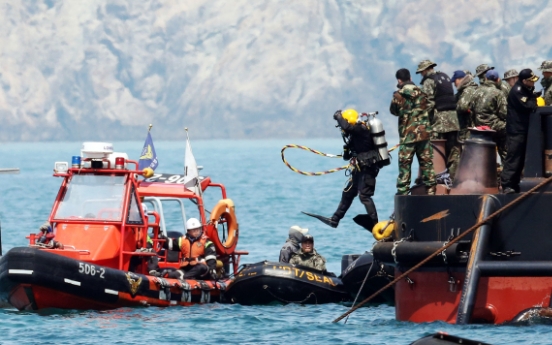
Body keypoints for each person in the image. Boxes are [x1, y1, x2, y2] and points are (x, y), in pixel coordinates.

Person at [324, 109, 381, 229]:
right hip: (359, 169)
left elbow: (348, 127)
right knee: (348, 193)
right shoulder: (353, 135)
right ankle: (335, 219)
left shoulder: (361, 129)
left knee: (364, 196)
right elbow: (347, 157)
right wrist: (346, 150)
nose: (342, 129)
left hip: (368, 169)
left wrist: (338, 116)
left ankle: (375, 223)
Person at [390, 68, 436, 195]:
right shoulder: (422, 92)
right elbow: (430, 108)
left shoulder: (398, 95)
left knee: (405, 166)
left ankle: (403, 193)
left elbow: (393, 111)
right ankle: (431, 191)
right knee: (426, 163)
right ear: (410, 78)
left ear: (399, 80)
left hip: (408, 136)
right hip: (424, 134)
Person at [416, 60, 461, 178]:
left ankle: (438, 180)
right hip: (454, 121)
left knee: (438, 151)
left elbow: (428, 103)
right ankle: (454, 179)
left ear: (425, 70)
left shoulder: (428, 81)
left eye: (421, 72)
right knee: (454, 152)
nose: (421, 74)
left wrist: (421, 119)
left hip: (440, 123)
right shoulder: (445, 77)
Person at [500, 69, 540, 194]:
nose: (533, 83)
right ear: (524, 81)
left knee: (521, 159)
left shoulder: (525, 90)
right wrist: (533, 98)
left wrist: (532, 96)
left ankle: (515, 184)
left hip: (523, 129)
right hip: (516, 131)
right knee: (513, 157)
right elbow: (529, 106)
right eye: (530, 81)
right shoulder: (517, 92)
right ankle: (507, 184)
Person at [470, 70, 508, 162]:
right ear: (497, 80)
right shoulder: (498, 93)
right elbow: (504, 113)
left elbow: (471, 109)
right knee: (506, 147)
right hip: (495, 127)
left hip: (479, 127)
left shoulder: (476, 92)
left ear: (486, 79)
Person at [452, 70, 478, 150]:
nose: (454, 84)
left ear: (460, 79)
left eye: (455, 81)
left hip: (468, 129)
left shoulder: (468, 90)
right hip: (465, 129)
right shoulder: (462, 92)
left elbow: (463, 107)